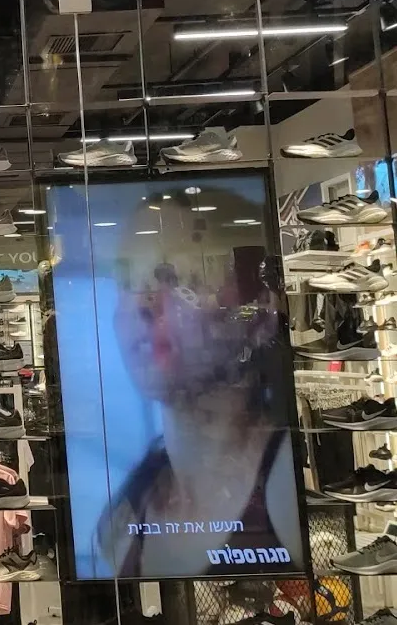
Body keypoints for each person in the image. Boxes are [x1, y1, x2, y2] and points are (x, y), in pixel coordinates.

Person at [94, 186, 302, 578]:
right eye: (126, 279)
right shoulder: (121, 520)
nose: (143, 302)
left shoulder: (288, 487)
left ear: (260, 314)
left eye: (175, 276)